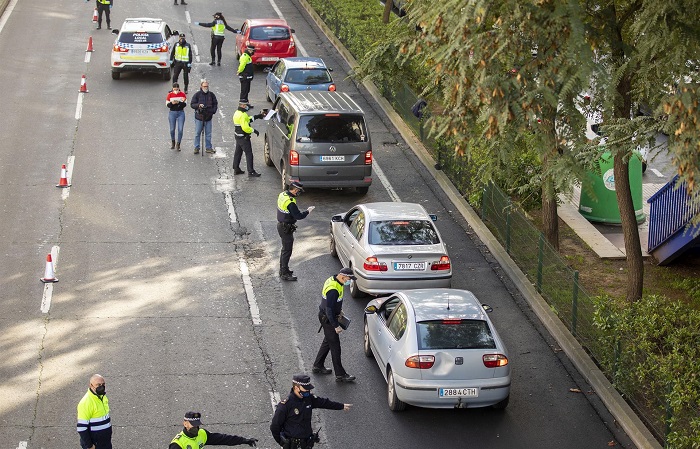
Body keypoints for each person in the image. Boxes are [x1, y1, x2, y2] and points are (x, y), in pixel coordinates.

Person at [270, 374, 351, 449]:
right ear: (296, 388)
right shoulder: (285, 405)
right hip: (293, 445)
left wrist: (341, 406)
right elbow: (275, 426)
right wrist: (282, 443)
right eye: (305, 389)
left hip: (306, 443)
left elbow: (324, 403)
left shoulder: (309, 399)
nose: (308, 392)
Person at [312, 268, 356, 382]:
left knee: (328, 341)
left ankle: (318, 365)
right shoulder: (333, 289)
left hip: (325, 316)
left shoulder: (334, 280)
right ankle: (340, 374)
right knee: (335, 347)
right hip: (328, 319)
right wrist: (336, 326)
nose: (350, 281)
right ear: (342, 276)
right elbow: (329, 310)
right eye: (349, 279)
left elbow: (332, 304)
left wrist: (339, 310)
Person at [277, 182, 314, 281]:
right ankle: (284, 273)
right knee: (287, 250)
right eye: (298, 191)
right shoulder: (290, 202)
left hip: (281, 226)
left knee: (285, 249)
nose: (299, 193)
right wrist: (307, 211)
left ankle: (284, 269)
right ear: (295, 190)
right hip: (286, 228)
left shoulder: (283, 194)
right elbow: (298, 216)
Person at [169, 411, 258, 448]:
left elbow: (223, 439)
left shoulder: (202, 433)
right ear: (185, 423)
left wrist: (244, 440)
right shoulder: (177, 444)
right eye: (192, 425)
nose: (195, 428)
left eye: (196, 425)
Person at [76, 374, 112, 449]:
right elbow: (81, 428)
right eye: (98, 385)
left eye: (103, 384)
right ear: (91, 385)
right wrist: (90, 446)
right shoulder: (86, 403)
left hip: (105, 442)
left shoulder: (102, 397)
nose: (101, 387)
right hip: (95, 444)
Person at [233, 101, 264, 177]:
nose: (248, 106)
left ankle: (236, 168)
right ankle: (251, 171)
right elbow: (245, 127)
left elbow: (247, 120)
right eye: (247, 105)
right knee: (249, 153)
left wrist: (257, 116)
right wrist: (253, 130)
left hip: (238, 136)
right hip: (243, 137)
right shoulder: (243, 115)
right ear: (243, 105)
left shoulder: (237, 112)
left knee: (238, 152)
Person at [190, 80, 218, 154]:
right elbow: (192, 104)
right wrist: (198, 105)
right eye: (204, 86)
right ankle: (196, 147)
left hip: (208, 117)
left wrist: (212, 111)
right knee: (197, 133)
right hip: (199, 117)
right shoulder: (197, 95)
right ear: (201, 87)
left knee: (208, 134)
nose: (206, 88)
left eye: (207, 86)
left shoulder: (211, 95)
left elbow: (215, 104)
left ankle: (208, 148)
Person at [166, 82, 187, 150]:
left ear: (179, 88)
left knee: (180, 129)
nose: (176, 91)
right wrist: (172, 103)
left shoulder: (182, 94)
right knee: (172, 129)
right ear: (172, 89)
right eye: (174, 89)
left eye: (177, 89)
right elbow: (167, 105)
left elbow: (185, 104)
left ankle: (178, 144)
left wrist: (179, 102)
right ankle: (173, 141)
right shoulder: (170, 95)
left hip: (181, 112)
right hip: (172, 112)